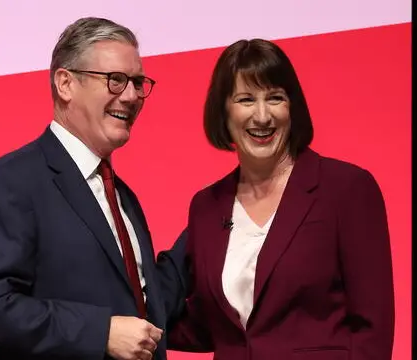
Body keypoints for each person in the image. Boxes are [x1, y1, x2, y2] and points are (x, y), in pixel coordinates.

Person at [157, 39, 395, 359]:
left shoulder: (347, 189)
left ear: (291, 108)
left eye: (275, 98)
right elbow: (213, 324)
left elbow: (372, 329)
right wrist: (131, 326)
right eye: (245, 99)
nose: (262, 115)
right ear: (223, 111)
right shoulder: (206, 206)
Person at [0, 17, 172, 360]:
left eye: (137, 82)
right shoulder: (11, 182)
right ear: (66, 83)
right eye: (115, 80)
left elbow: (144, 304)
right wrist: (101, 333)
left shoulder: (123, 198)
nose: (131, 96)